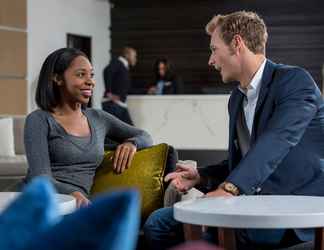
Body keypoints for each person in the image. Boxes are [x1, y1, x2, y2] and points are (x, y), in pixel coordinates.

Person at [143, 11, 324, 250]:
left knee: (219, 233)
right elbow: (244, 160)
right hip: (252, 204)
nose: (211, 60)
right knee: (157, 223)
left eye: (214, 49)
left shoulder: (293, 82)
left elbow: (277, 141)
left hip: (294, 210)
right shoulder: (237, 99)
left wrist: (229, 189)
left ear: (237, 44)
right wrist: (202, 176)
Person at [24, 48, 153, 208]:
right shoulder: (39, 120)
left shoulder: (98, 118)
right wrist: (73, 193)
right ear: (57, 78)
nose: (90, 81)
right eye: (80, 74)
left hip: (79, 205)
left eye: (91, 75)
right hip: (43, 203)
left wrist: (132, 143)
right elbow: (40, 178)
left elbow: (145, 136)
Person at [102, 47, 137, 125]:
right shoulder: (118, 63)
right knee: (128, 131)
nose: (135, 59)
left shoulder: (123, 66)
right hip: (113, 105)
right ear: (127, 55)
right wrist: (109, 92)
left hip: (119, 105)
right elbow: (106, 71)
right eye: (134, 56)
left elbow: (127, 88)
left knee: (129, 131)